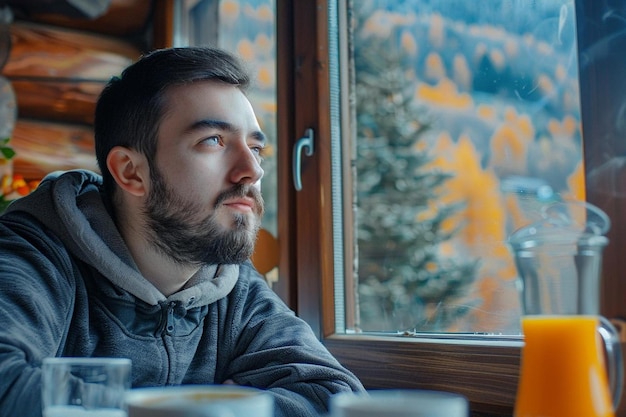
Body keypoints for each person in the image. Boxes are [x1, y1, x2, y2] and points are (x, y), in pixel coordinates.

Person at [0, 46, 364, 416]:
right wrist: (207, 407)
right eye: (214, 141)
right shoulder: (31, 255)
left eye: (255, 147)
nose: (251, 169)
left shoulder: (231, 284)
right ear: (130, 172)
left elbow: (332, 396)